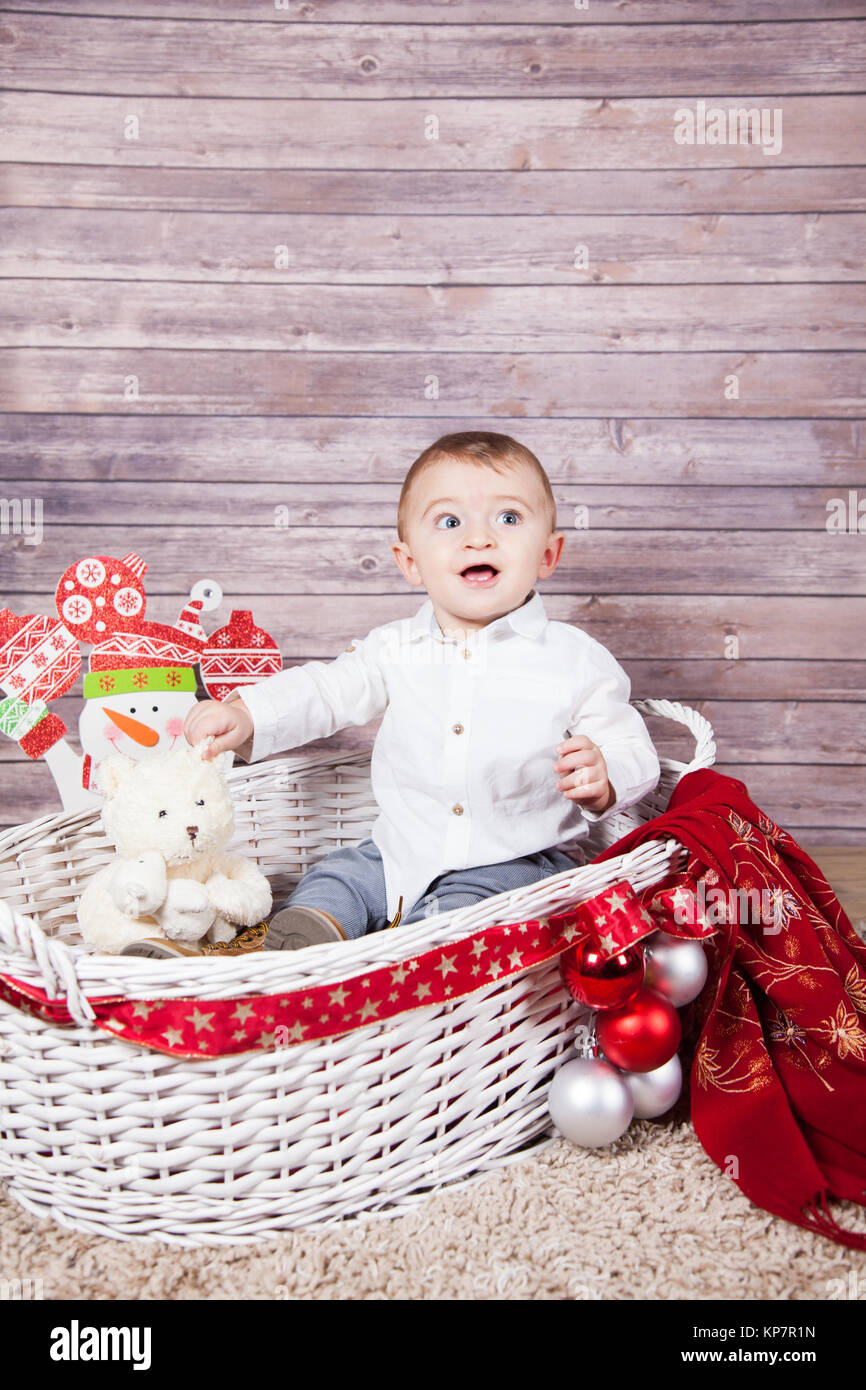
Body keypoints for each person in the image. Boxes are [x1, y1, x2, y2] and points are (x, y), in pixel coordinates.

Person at [181, 431, 661, 952]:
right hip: (397, 850)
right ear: (410, 562)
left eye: (508, 518)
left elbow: (629, 744)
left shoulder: (573, 658)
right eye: (450, 522)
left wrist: (606, 776)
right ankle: (308, 943)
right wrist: (250, 714)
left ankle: (413, 961)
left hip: (513, 862)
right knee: (337, 879)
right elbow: (328, 690)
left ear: (547, 553)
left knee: (464, 920)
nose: (479, 540)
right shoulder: (396, 647)